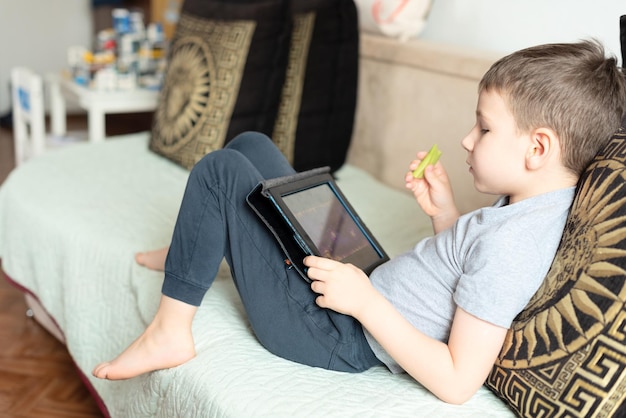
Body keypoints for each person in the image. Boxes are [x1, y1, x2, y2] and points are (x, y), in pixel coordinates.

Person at [93, 40, 626, 404]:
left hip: (334, 332)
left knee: (220, 170)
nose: (467, 139)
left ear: (537, 147)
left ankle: (170, 330)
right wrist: (444, 213)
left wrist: (365, 302)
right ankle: (200, 243)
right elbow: (463, 275)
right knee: (254, 146)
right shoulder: (534, 203)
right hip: (359, 287)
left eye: (483, 128)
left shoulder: (517, 244)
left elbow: (460, 381)